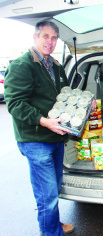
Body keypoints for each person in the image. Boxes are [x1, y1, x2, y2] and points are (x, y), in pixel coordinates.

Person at [4, 21, 74, 235]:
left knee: (53, 190)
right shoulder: (22, 65)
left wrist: (81, 101)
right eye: (45, 36)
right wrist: (44, 121)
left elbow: (64, 98)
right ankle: (51, 231)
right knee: (47, 195)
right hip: (36, 140)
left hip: (55, 137)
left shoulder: (55, 65)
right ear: (35, 37)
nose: (50, 42)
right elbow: (15, 103)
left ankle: (51, 223)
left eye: (54, 38)